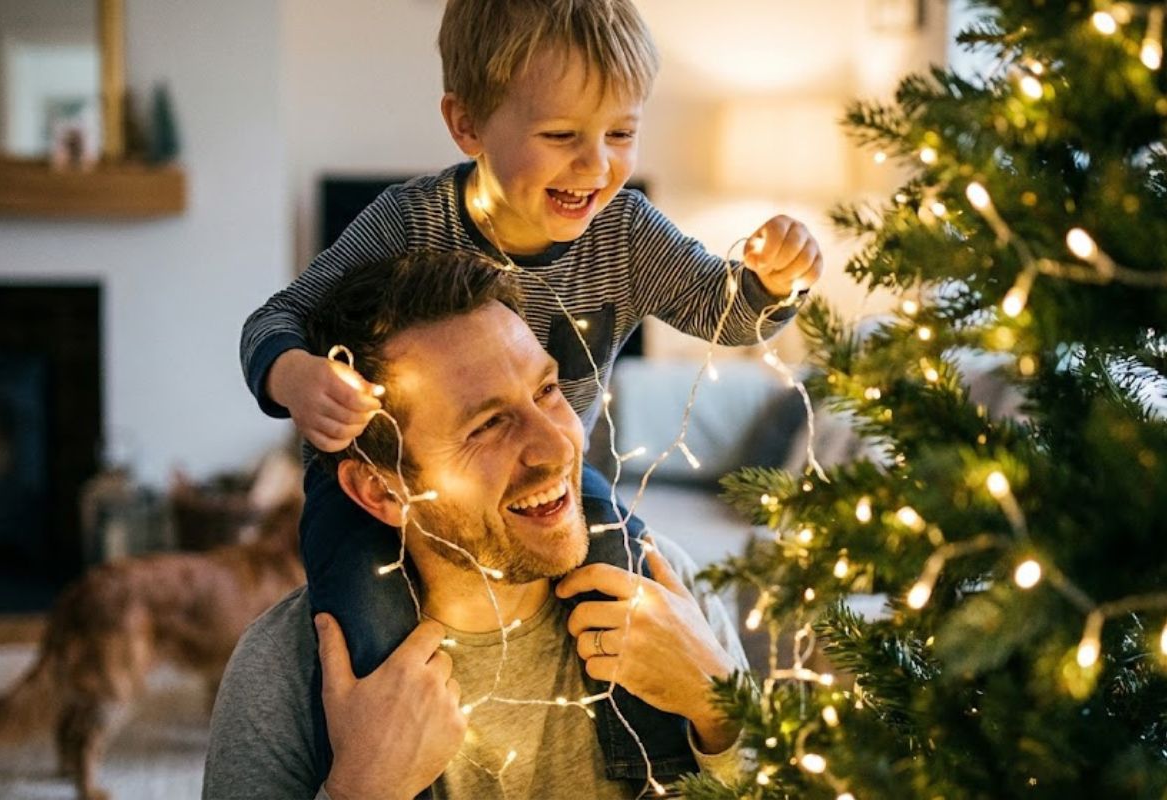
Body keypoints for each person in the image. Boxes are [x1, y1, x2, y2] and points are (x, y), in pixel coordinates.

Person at [238, 0, 820, 775]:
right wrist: (294, 372)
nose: (596, 165)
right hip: (372, 491)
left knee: (624, 576)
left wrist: (774, 282)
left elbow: (726, 312)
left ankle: (639, 766)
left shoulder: (628, 234)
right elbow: (279, 316)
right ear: (467, 125)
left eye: (621, 133)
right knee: (365, 627)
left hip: (571, 483)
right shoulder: (410, 221)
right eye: (561, 136)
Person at [207, 251, 753, 800]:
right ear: (381, 490)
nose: (556, 446)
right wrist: (363, 789)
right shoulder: (285, 673)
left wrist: (720, 709)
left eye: (547, 391)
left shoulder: (666, 593)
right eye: (488, 425)